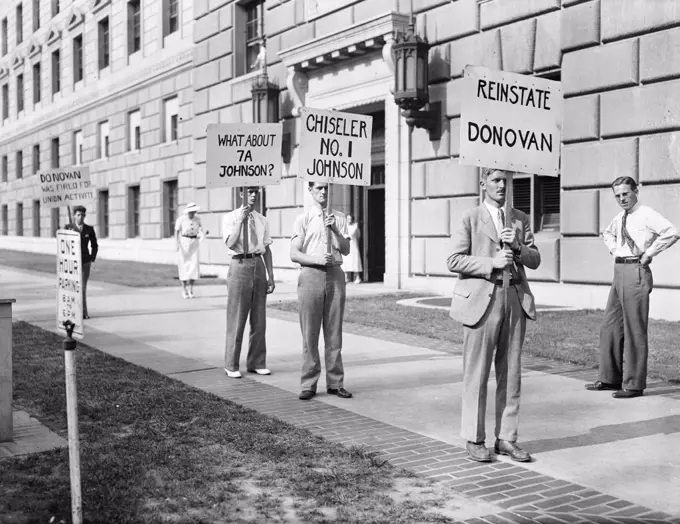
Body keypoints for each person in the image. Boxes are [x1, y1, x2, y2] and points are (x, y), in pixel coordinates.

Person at [446, 168, 541, 463]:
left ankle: (507, 438)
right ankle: (475, 438)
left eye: (506, 180)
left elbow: (535, 259)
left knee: (511, 372)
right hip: (481, 299)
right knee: (477, 371)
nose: (502, 185)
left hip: (513, 297)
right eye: (496, 180)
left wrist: (517, 246)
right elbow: (454, 260)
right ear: (483, 183)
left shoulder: (520, 219)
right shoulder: (470, 218)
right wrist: (491, 262)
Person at [586, 176, 679, 399]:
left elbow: (671, 232)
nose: (622, 199)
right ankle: (610, 378)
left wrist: (648, 254)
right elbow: (607, 233)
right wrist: (613, 249)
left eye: (625, 193)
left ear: (636, 190)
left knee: (634, 329)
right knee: (610, 326)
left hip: (635, 270)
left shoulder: (646, 214)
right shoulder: (620, 217)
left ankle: (634, 384)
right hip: (619, 271)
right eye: (617, 195)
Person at [290, 182, 352, 401]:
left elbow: (346, 249)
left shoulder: (340, 217)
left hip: (335, 275)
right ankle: (309, 383)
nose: (323, 191)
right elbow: (294, 254)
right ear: (310, 190)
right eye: (318, 187)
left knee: (334, 331)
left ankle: (335, 382)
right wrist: (317, 259)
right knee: (310, 331)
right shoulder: (303, 219)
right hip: (311, 275)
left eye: (327, 187)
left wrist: (335, 228)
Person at [222, 187, 275, 379]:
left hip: (257, 263)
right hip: (239, 263)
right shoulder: (230, 217)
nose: (253, 195)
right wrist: (240, 221)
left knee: (259, 318)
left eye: (256, 192)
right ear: (241, 193)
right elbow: (230, 243)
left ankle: (257, 361)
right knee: (237, 316)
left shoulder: (262, 219)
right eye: (249, 191)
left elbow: (267, 249)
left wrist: (270, 274)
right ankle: (231, 363)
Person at [65, 205, 98, 320]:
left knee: (82, 288)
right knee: (72, 288)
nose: (80, 217)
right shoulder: (68, 228)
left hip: (85, 262)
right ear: (74, 216)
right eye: (78, 215)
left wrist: (92, 258)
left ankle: (83, 313)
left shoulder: (89, 229)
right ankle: (73, 312)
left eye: (83, 215)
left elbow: (94, 245)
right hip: (72, 263)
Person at [175, 202, 207, 299]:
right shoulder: (181, 219)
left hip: (194, 243)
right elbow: (177, 232)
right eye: (191, 212)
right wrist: (177, 244)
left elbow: (201, 230)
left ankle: (191, 289)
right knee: (184, 265)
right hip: (184, 243)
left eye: (194, 212)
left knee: (194, 265)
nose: (192, 214)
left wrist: (202, 235)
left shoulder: (198, 220)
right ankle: (184, 289)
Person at [342, 213, 363, 283]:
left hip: (353, 245)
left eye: (350, 219)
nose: (349, 220)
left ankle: (357, 277)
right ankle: (346, 277)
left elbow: (358, 236)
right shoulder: (344, 227)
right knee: (346, 260)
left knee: (355, 260)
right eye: (348, 219)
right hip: (346, 244)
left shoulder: (355, 226)